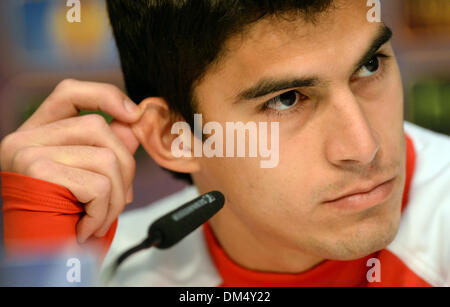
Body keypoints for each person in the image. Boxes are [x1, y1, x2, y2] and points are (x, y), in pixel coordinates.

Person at [1, 0, 449, 286]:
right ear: (173, 136)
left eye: (370, 66)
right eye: (287, 99)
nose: (365, 146)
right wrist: (43, 269)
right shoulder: (111, 269)